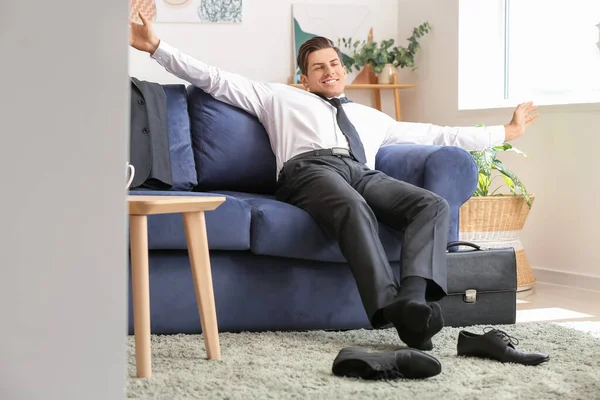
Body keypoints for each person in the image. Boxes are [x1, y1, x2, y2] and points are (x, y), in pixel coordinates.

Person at [129, 12, 539, 350]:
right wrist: (156, 47)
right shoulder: (277, 96)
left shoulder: (371, 118)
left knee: (430, 204)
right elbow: (213, 78)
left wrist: (507, 131)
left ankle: (412, 299)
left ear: (344, 71)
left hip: (361, 170)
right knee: (352, 207)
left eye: (335, 64)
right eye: (318, 67)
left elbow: (438, 135)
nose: (329, 71)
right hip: (308, 171)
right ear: (304, 78)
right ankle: (387, 306)